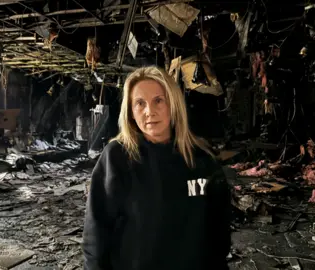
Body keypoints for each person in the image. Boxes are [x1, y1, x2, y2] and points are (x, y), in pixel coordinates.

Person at [82, 66, 232, 270]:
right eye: (139, 103)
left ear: (173, 104)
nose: (149, 111)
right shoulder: (116, 157)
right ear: (131, 112)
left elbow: (219, 230)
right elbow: (96, 231)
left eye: (158, 101)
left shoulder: (202, 159)